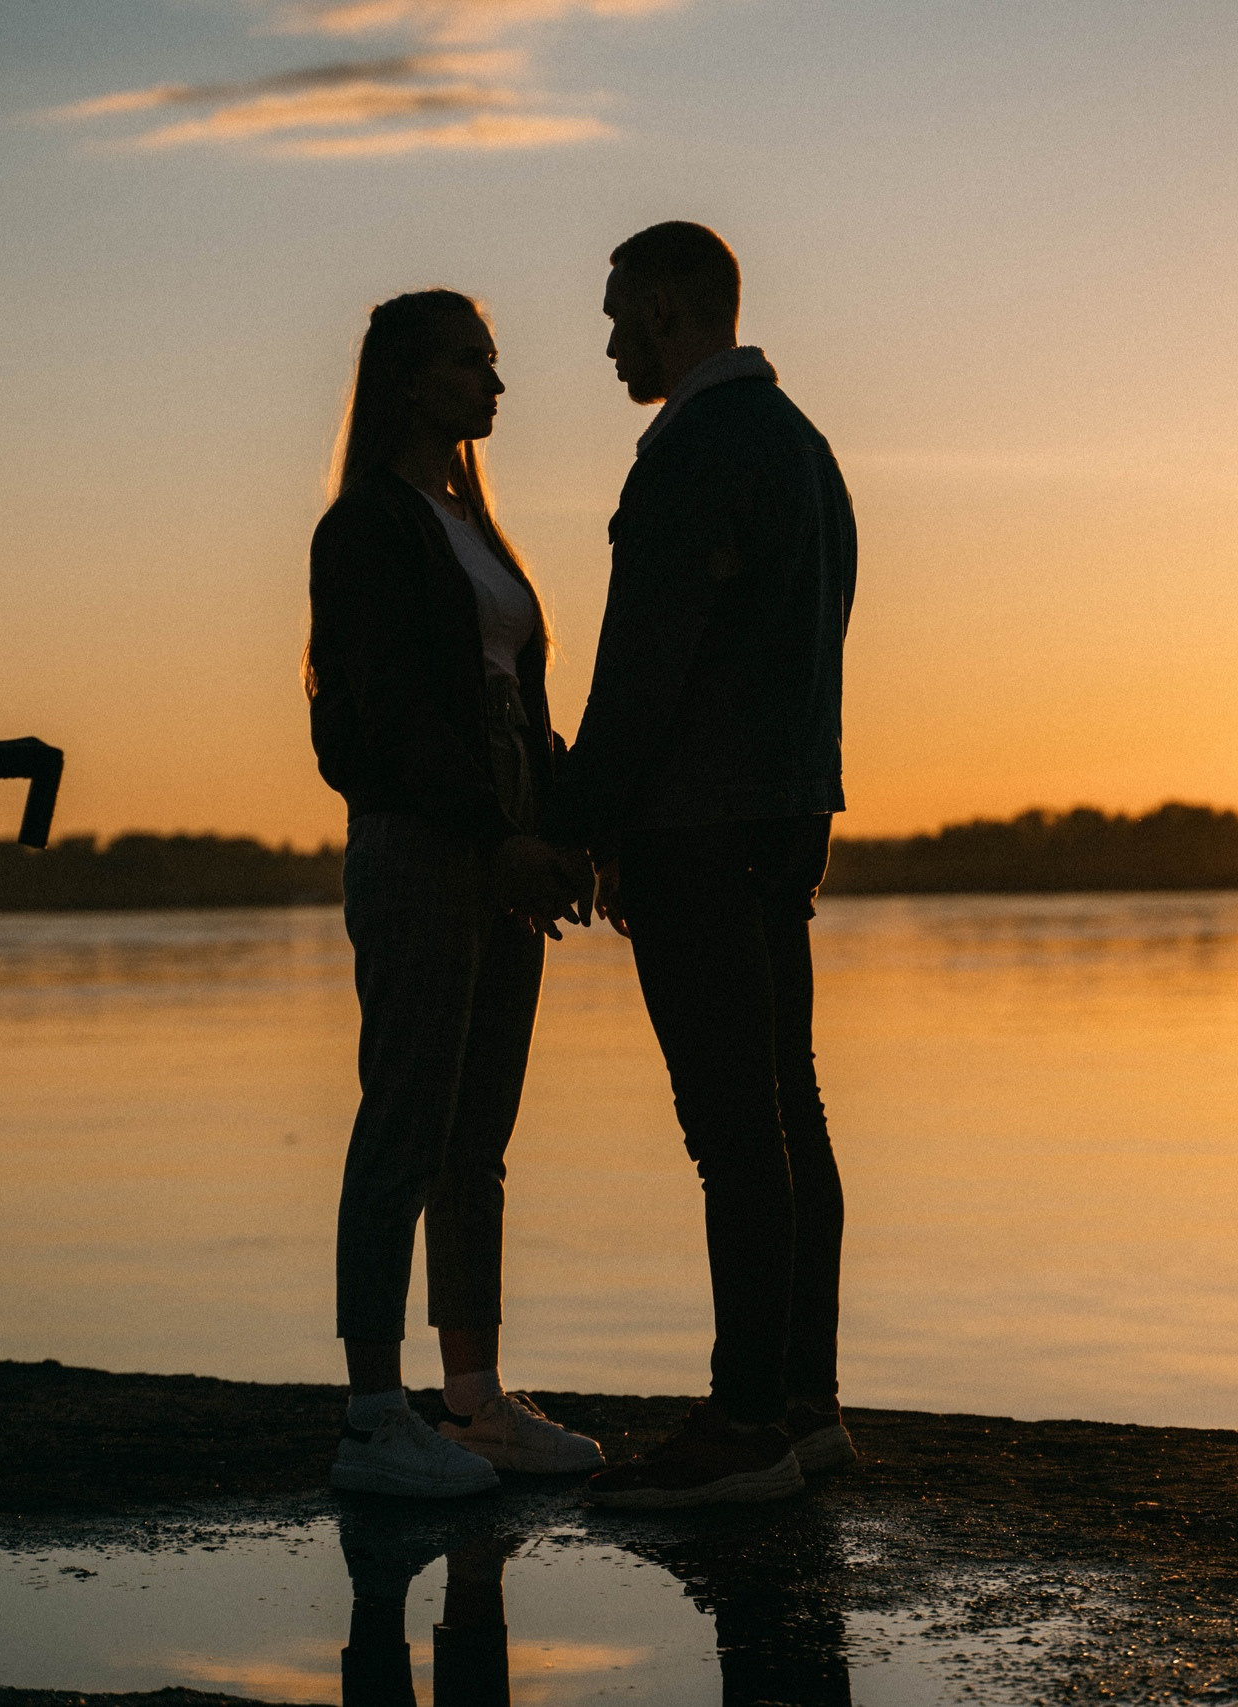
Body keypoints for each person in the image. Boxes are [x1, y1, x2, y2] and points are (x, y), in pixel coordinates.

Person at [555, 223, 860, 1508]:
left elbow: (645, 665)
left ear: (669, 310)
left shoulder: (694, 454)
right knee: (788, 1108)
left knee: (731, 1127)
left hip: (697, 827)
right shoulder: (804, 449)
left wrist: (576, 821)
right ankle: (804, 1402)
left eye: (618, 317)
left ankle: (744, 1425)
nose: (610, 344)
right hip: (783, 818)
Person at [306, 288, 605, 1497]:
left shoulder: (471, 523)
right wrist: (494, 837)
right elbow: (389, 716)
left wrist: (566, 831)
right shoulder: (365, 527)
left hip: (501, 855)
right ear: (411, 379)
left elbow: (522, 711)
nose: (496, 382)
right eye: (475, 361)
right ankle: (373, 1417)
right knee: (405, 1125)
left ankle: (474, 1404)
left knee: (476, 1139)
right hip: (422, 851)